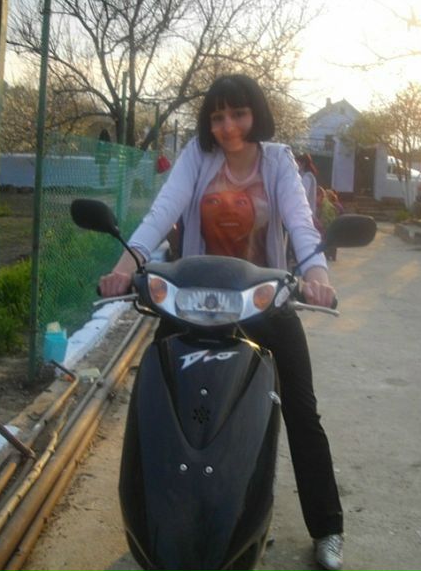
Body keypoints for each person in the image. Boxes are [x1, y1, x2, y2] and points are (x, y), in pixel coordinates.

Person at [99, 74, 345, 571]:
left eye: (238, 114)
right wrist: (124, 268)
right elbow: (161, 213)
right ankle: (160, 527)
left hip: (263, 301)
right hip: (192, 303)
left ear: (256, 114)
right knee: (166, 408)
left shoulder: (278, 161)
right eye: (217, 117)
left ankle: (327, 528)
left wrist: (317, 276)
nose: (228, 126)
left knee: (300, 411)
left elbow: (301, 225)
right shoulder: (198, 155)